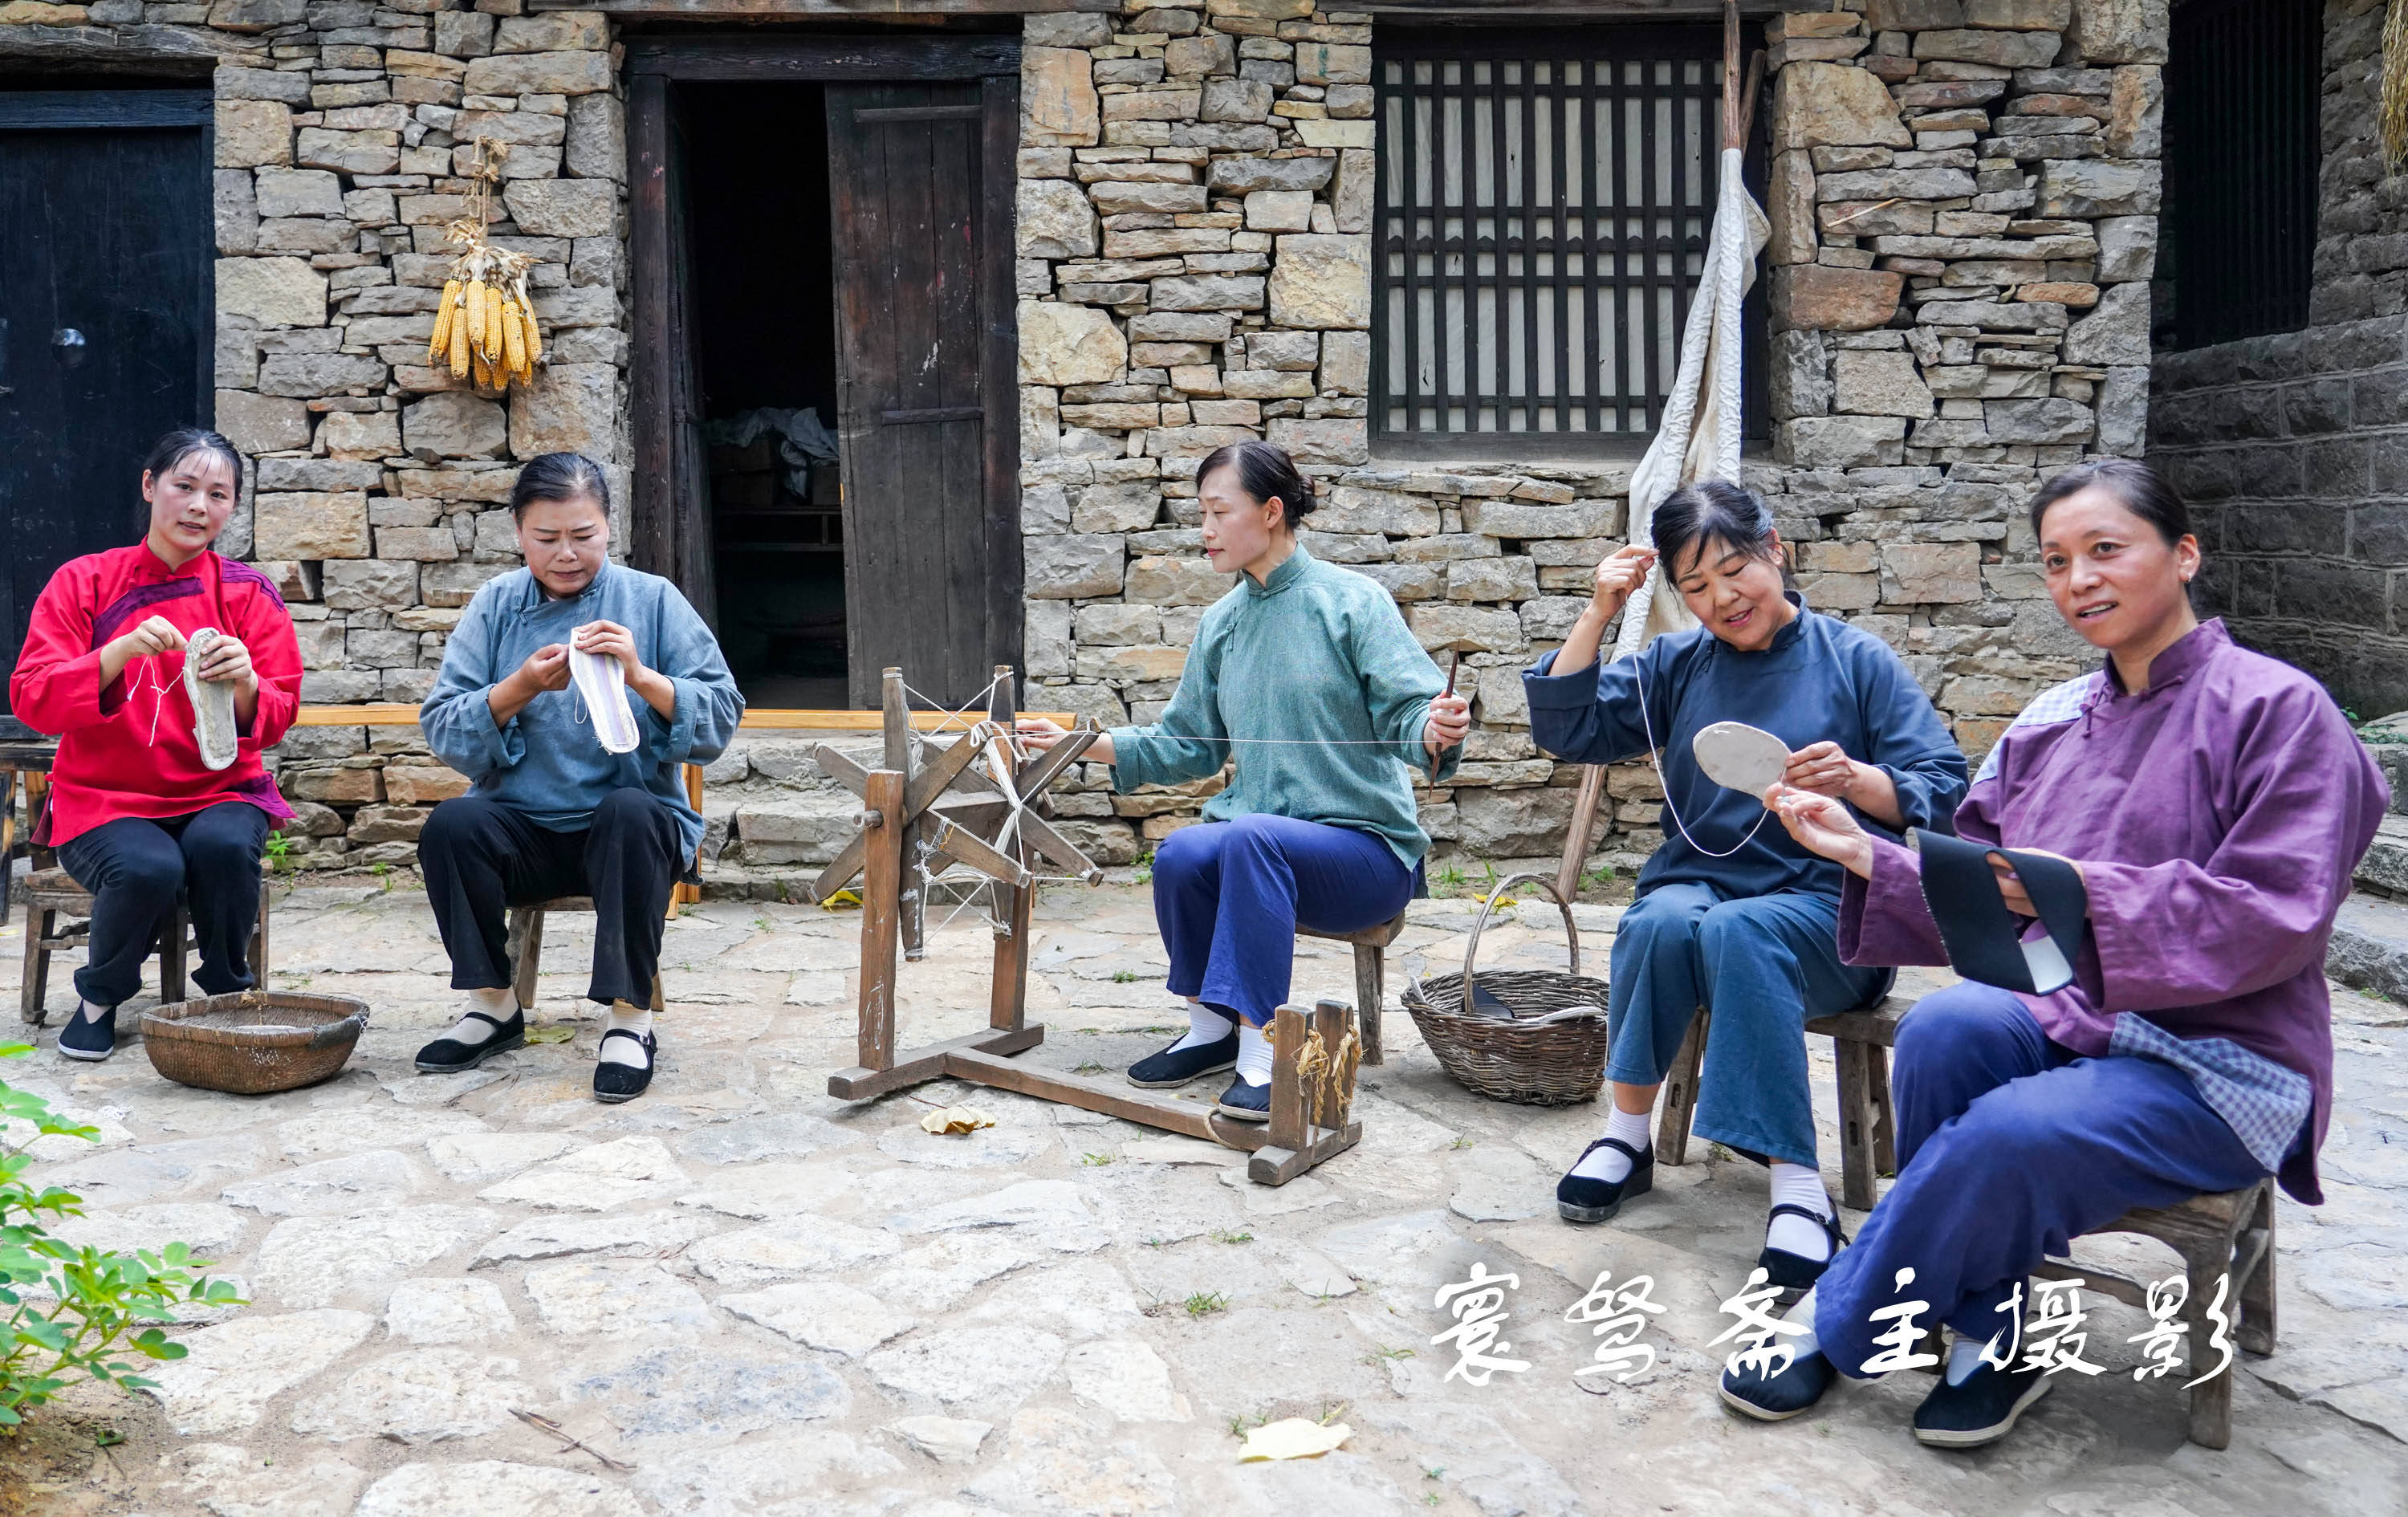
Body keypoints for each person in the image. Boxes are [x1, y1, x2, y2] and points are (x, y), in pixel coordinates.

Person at [1722, 459, 2388, 1449]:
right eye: (2057, 561)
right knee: (1946, 1027)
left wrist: (2066, 892)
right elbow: (1978, 886)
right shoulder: (2049, 725)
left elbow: (2273, 913)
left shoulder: (2281, 712)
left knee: (2007, 1136)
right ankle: (1996, 1335)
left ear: (2185, 553)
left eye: (2106, 550)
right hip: (2079, 1018)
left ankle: (1841, 1325)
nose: (2080, 578)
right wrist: (1862, 848)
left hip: (2222, 1060)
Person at [1522, 480, 1968, 1290]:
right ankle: (1626, 1136)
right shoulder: (1676, 663)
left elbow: (1942, 785)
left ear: (1776, 551)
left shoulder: (1855, 661)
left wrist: (1861, 782)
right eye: (1694, 586)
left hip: (1832, 913)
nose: (1721, 598)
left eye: (1735, 570)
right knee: (1658, 920)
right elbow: (1570, 727)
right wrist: (1600, 611)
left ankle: (1797, 1187)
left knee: (1738, 931)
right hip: (1699, 890)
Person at [1018, 440, 1470, 1120]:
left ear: (1272, 511)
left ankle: (1266, 1053)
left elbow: (1412, 713)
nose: (1205, 530)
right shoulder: (1221, 623)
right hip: (1262, 853)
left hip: (1366, 856)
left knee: (1248, 837)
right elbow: (1184, 746)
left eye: (1218, 511)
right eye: (1200, 513)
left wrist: (1435, 731)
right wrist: (1081, 743)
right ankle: (1211, 1028)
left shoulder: (1354, 602)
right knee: (1181, 852)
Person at [410, 453, 743, 1102]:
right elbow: (444, 726)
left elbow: (720, 720)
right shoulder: (496, 605)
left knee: (630, 809)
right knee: (453, 824)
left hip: (628, 838)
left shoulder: (651, 600)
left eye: (583, 536)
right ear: (518, 532)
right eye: (547, 537)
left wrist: (642, 676)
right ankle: (493, 1008)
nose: (567, 554)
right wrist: (519, 687)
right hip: (525, 832)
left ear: (608, 529)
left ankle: (629, 1020)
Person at [9, 428, 303, 1059]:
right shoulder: (83, 582)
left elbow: (279, 714)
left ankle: (228, 993)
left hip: (221, 789)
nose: (200, 506)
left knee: (224, 846)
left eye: (219, 494)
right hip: (105, 797)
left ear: (231, 508)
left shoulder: (247, 594)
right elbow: (32, 697)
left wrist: (247, 679)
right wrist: (114, 653)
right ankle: (101, 997)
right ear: (150, 487)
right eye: (185, 486)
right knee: (149, 867)